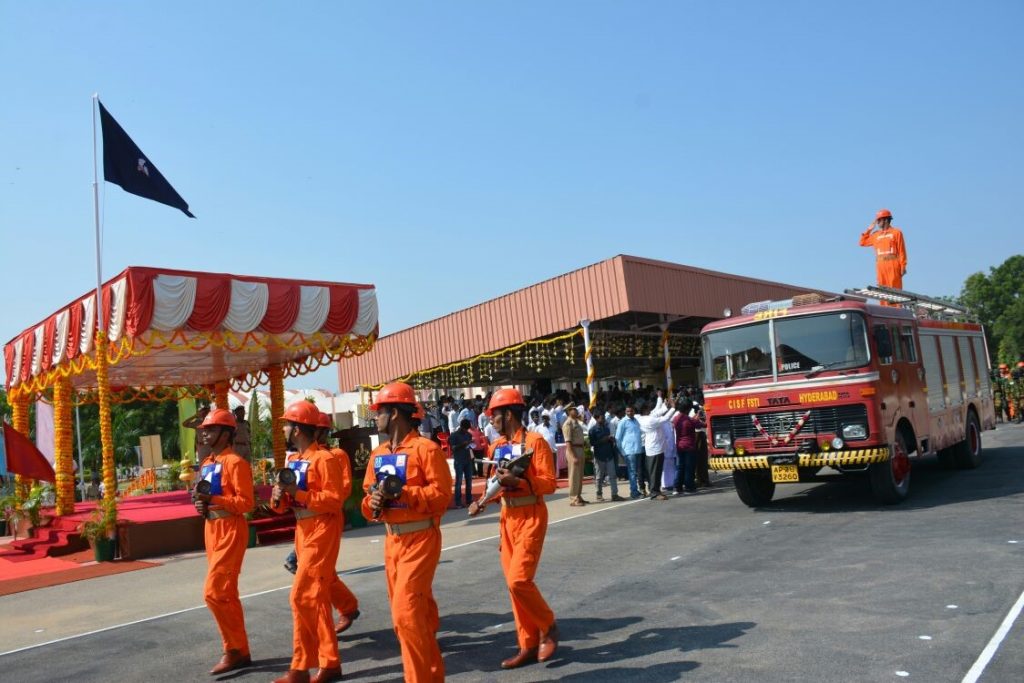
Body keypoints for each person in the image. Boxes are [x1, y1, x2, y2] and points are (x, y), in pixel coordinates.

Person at [361, 382, 452, 683]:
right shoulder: (377, 455)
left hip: (421, 538)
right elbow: (367, 502)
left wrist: (406, 492)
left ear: (396, 413)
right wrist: (373, 502)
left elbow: (441, 497)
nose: (376, 418)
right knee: (410, 620)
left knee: (406, 614)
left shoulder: (426, 449)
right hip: (392, 541)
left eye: (380, 412)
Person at [468, 388, 559, 669]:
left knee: (519, 580)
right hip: (507, 519)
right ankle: (527, 644)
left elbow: (549, 483)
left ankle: (548, 625)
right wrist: (482, 501)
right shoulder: (495, 448)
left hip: (531, 515)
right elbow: (494, 484)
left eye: (494, 415)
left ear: (508, 414)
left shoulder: (536, 442)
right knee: (513, 587)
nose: (491, 420)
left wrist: (518, 483)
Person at [270, 400, 346, 683]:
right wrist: (279, 498)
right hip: (303, 528)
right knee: (316, 598)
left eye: (288, 424)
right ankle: (328, 663)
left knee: (301, 596)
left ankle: (301, 667)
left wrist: (298, 494)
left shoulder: (325, 459)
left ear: (299, 429)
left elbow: (335, 500)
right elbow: (281, 504)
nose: (285, 429)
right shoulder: (294, 461)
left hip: (322, 529)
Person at [191, 408, 255, 675]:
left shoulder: (236, 463)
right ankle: (239, 650)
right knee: (226, 594)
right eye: (204, 429)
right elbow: (204, 496)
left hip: (230, 529)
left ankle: (233, 649)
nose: (205, 433)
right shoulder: (207, 464)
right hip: (212, 528)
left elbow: (246, 503)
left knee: (213, 592)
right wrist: (201, 505)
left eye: (211, 429)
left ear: (226, 433)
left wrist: (213, 501)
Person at [317, 411, 361, 634]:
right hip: (309, 523)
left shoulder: (336, 455)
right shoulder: (302, 458)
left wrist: (314, 497)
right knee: (320, 571)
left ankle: (346, 606)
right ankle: (347, 606)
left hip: (328, 517)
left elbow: (342, 489)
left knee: (320, 571)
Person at [636, 393, 677, 501]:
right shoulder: (648, 420)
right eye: (648, 407)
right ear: (645, 409)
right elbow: (664, 418)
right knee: (655, 471)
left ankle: (655, 490)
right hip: (655, 447)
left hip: (655, 446)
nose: (651, 408)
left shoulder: (641, 417)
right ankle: (654, 492)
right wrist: (673, 408)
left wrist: (666, 406)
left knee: (656, 471)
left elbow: (657, 413)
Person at [859, 208, 908, 290]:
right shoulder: (875, 235)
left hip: (893, 264)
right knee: (882, 290)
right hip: (880, 265)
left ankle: (896, 303)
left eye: (879, 220)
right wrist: (869, 230)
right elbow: (862, 242)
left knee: (894, 289)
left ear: (885, 220)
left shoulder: (896, 232)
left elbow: (901, 250)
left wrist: (903, 266)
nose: (877, 222)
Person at [672, 402, 706, 494]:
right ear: (687, 409)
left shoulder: (676, 419)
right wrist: (700, 416)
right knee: (689, 467)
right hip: (689, 446)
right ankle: (689, 486)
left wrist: (696, 416)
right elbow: (702, 425)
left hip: (679, 445)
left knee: (680, 467)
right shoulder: (689, 420)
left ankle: (677, 487)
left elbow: (692, 421)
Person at [588, 412, 623, 502]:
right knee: (599, 477)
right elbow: (592, 443)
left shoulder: (606, 429)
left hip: (609, 454)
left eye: (604, 418)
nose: (603, 420)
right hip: (599, 456)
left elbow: (610, 440)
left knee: (612, 475)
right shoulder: (592, 430)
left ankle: (614, 494)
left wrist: (611, 440)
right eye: (602, 418)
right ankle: (599, 494)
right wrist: (602, 440)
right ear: (596, 418)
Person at [615, 405, 644, 499]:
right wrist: (622, 452)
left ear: (634, 411)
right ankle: (634, 492)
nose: (629, 413)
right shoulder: (623, 422)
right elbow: (617, 438)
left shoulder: (636, 421)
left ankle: (637, 490)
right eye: (627, 411)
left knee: (637, 472)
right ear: (625, 412)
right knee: (632, 472)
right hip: (629, 450)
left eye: (631, 411)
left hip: (638, 450)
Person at [561, 406, 589, 506]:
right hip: (573, 450)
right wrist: (573, 456)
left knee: (580, 475)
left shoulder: (576, 422)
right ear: (569, 411)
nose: (576, 411)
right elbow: (568, 441)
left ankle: (578, 495)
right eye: (574, 409)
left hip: (580, 449)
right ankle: (573, 498)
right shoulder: (568, 424)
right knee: (574, 475)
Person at [449, 418, 475, 508]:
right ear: (461, 427)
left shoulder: (468, 434)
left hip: (467, 459)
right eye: (465, 429)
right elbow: (453, 448)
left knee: (469, 480)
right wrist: (464, 444)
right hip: (459, 461)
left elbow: (469, 446)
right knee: (459, 482)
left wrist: (471, 445)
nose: (466, 430)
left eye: (467, 429)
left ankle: (469, 499)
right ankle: (458, 502)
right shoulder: (454, 435)